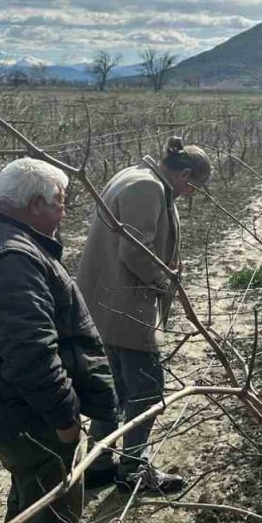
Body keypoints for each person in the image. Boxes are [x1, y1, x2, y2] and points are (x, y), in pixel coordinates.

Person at [0, 158, 117, 523]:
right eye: (60, 201)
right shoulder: (14, 259)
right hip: (26, 411)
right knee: (55, 505)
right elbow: (31, 355)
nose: (65, 209)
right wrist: (65, 419)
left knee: (29, 491)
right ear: (36, 204)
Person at [76, 137, 210, 493]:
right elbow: (135, 252)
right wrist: (167, 281)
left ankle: (100, 465)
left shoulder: (134, 175)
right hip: (127, 309)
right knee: (148, 392)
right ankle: (133, 471)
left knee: (116, 391)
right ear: (183, 174)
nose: (191, 195)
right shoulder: (148, 187)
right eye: (192, 187)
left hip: (106, 305)